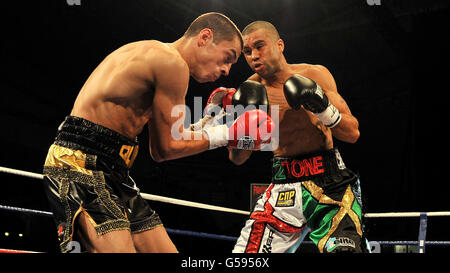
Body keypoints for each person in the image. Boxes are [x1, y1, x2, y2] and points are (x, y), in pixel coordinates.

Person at [42, 12, 273, 253]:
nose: (226, 70)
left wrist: (211, 120)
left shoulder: (156, 55)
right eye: (227, 57)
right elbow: (166, 149)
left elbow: (167, 139)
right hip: (80, 163)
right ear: (205, 37)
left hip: (113, 170)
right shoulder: (172, 64)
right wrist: (228, 133)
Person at [227, 21, 368, 253]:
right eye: (247, 51)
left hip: (331, 185)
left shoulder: (314, 75)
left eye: (260, 46)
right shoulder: (250, 90)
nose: (253, 56)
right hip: (282, 188)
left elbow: (353, 133)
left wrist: (322, 107)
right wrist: (245, 131)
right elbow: (237, 158)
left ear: (280, 45)